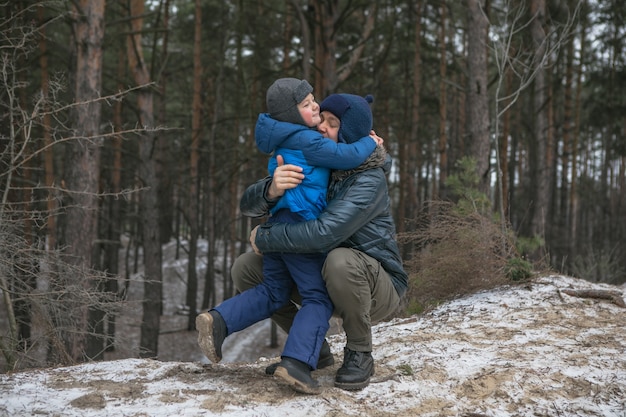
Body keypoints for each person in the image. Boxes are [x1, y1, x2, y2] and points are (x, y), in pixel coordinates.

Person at [195, 79, 381, 395]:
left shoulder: (286, 138)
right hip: (300, 226)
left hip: (285, 223)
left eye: (324, 114)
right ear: (293, 114)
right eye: (309, 106)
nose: (317, 112)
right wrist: (370, 144)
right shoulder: (308, 141)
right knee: (317, 297)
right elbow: (345, 155)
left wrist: (268, 229)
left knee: (273, 291)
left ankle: (219, 321)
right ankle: (297, 362)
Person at [233, 92, 408, 392]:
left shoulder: (368, 179)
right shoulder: (318, 164)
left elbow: (324, 233)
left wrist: (265, 236)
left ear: (351, 133)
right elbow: (246, 205)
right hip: (324, 277)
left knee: (339, 260)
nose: (322, 128)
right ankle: (312, 351)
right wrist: (271, 190)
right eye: (321, 121)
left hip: (376, 285)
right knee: (246, 268)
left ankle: (360, 353)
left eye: (332, 123)